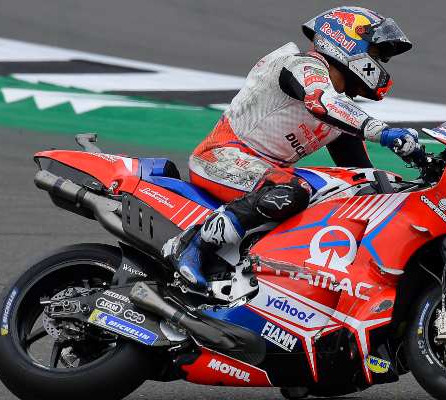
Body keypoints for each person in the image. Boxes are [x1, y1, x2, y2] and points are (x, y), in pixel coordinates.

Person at [163, 6, 421, 294]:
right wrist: (383, 131)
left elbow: (362, 171)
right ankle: (192, 245)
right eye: (376, 54)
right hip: (221, 158)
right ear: (346, 40)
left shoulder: (338, 114)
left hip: (262, 174)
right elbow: (320, 102)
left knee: (353, 193)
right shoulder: (301, 66)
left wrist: (411, 184)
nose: (379, 63)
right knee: (293, 190)